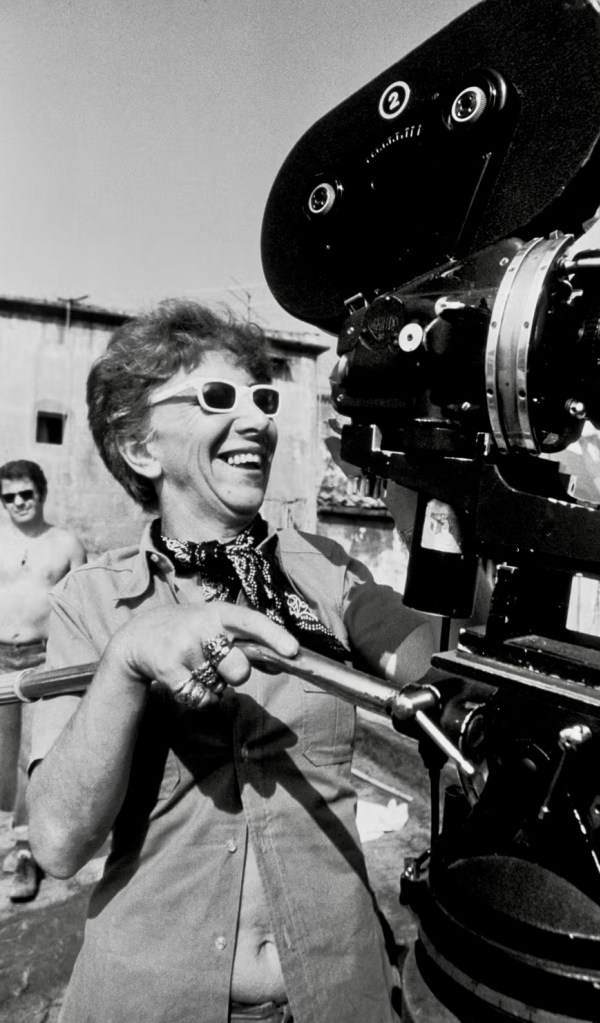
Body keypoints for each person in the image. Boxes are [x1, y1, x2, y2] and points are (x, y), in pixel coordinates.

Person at [27, 300, 439, 1023]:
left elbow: (439, 669)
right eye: (217, 398)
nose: (256, 421)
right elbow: (59, 844)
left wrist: (434, 510)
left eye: (263, 400)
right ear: (141, 448)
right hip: (152, 1000)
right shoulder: (90, 602)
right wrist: (127, 660)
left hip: (339, 994)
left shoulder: (326, 571)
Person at [0, 459, 85, 902]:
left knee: (29, 756)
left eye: (25, 494)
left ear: (41, 493)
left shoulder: (65, 543)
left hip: (40, 662)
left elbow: (81, 608)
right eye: (8, 497)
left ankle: (24, 851)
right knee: (1, 755)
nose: (18, 502)